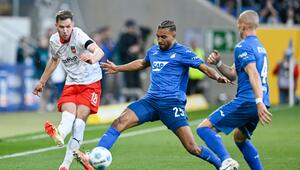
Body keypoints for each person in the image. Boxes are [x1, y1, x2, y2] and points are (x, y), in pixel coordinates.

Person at [74, 20, 232, 170]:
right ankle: (93, 157)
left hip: (172, 105)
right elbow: (142, 63)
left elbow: (204, 67)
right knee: (119, 122)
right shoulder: (154, 50)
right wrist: (118, 68)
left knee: (192, 148)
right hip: (151, 101)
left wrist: (217, 76)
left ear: (173, 35)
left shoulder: (183, 52)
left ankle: (221, 165)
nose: (160, 40)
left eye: (164, 37)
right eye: (158, 36)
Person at [196, 10, 272, 170]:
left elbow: (254, 74)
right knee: (240, 138)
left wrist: (258, 102)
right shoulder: (260, 47)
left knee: (203, 128)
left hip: (249, 101)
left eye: (238, 23)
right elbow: (232, 75)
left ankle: (226, 161)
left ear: (242, 25)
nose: (237, 26)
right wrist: (218, 64)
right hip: (261, 100)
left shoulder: (242, 46)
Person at [32, 10, 104, 170]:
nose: (65, 30)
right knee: (68, 115)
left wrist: (93, 58)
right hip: (71, 83)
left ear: (73, 25)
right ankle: (60, 135)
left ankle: (65, 164)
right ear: (56, 26)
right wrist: (42, 81)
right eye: (62, 27)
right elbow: (54, 60)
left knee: (78, 124)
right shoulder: (53, 40)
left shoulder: (79, 36)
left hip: (90, 83)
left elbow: (99, 51)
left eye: (68, 26)